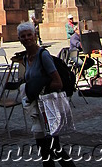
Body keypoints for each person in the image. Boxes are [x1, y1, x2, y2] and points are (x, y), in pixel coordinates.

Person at [18, 22, 76, 167]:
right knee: (45, 152)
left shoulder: (43, 55)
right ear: (19, 39)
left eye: (29, 35)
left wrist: (38, 88)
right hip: (37, 111)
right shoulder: (26, 58)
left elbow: (58, 82)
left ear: (35, 36)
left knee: (55, 149)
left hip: (48, 108)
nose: (26, 38)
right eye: (23, 36)